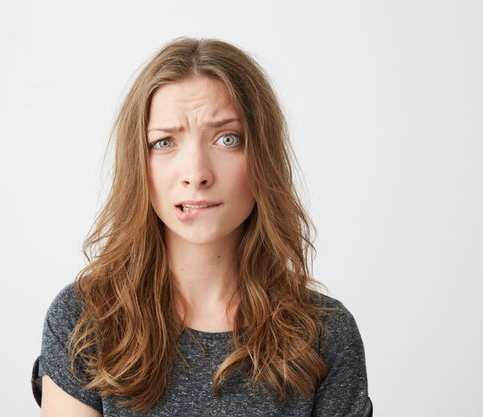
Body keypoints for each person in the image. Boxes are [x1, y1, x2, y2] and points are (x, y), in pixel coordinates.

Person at [32, 37, 373, 417]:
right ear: (138, 165)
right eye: (163, 143)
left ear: (264, 156)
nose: (196, 174)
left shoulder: (325, 336)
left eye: (227, 139)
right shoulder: (85, 319)